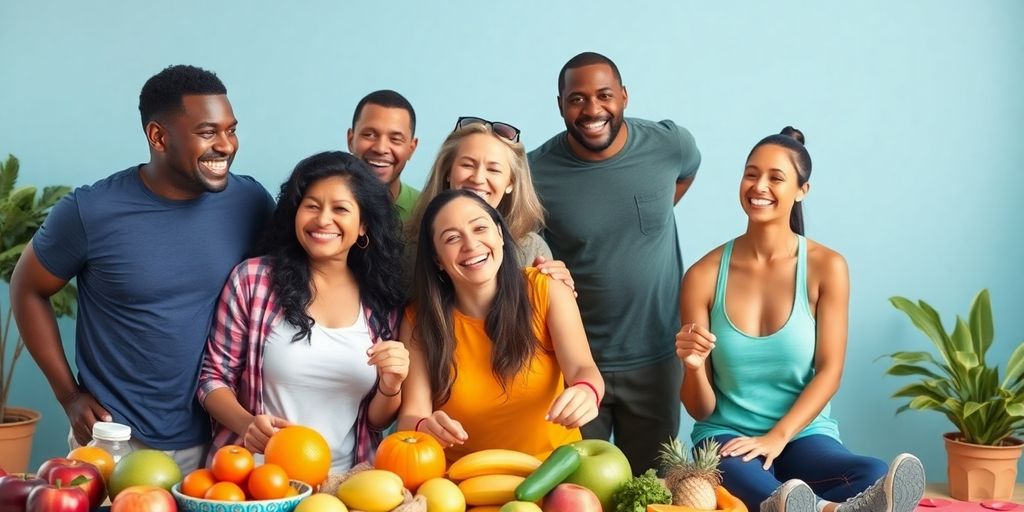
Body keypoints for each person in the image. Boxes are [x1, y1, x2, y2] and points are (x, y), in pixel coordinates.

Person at [9, 64, 275, 472]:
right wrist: (68, 395)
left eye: (231, 130)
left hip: (223, 444)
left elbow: (284, 288)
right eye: (208, 132)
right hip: (116, 441)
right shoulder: (90, 211)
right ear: (158, 136)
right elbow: (27, 287)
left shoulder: (251, 203)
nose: (226, 145)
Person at [676, 127, 925, 512]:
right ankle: (825, 509)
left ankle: (799, 505)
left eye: (776, 178)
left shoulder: (827, 267)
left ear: (801, 190)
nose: (759, 186)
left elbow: (829, 372)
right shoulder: (703, 275)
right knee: (736, 471)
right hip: (728, 440)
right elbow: (701, 409)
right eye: (751, 173)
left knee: (873, 472)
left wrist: (778, 437)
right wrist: (693, 368)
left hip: (803, 435)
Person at [528, 52, 700, 473]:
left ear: (623, 96)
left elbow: (686, 173)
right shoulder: (534, 171)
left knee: (652, 486)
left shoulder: (669, 144)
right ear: (560, 105)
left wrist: (654, 211)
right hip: (577, 364)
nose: (592, 110)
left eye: (604, 95)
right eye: (577, 99)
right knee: (577, 489)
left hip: (657, 357)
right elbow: (523, 246)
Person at [198, 151, 408, 472]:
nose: (323, 219)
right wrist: (247, 424)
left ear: (363, 225)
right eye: (311, 205)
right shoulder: (253, 280)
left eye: (340, 209)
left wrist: (391, 386)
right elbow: (212, 378)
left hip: (344, 486)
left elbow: (376, 420)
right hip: (255, 480)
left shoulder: (382, 302)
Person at [397, 189, 602, 462]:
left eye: (480, 228)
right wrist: (424, 427)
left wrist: (587, 392)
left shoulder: (546, 288)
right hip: (465, 480)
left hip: (555, 470)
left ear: (499, 234)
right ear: (438, 260)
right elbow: (412, 415)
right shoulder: (418, 321)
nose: (471, 244)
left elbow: (583, 368)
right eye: (452, 238)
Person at [407, 118, 574, 290]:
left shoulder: (531, 249)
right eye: (467, 165)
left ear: (510, 183)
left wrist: (560, 291)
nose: (478, 178)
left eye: (493, 169)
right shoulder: (413, 246)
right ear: (448, 172)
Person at [347, 90, 420, 225]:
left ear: (411, 148)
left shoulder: (425, 210)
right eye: (369, 135)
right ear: (351, 140)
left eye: (395, 139)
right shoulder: (326, 203)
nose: (381, 149)